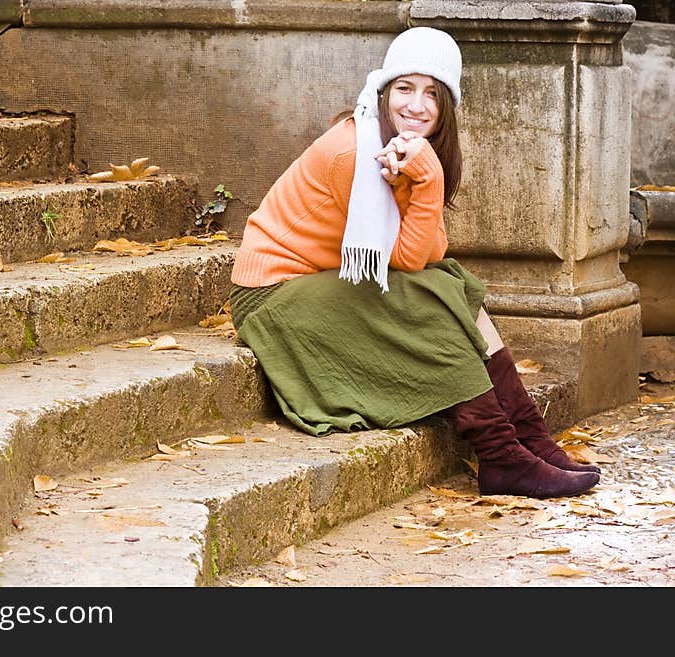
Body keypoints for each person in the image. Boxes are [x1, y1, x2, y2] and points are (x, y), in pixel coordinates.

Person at [228, 27, 600, 499]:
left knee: (450, 280)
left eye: (432, 94)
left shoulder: (407, 150)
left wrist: (427, 176)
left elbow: (431, 254)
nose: (416, 105)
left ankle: (528, 437)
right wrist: (428, 182)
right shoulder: (352, 153)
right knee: (428, 294)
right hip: (274, 293)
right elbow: (405, 263)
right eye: (404, 88)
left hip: (324, 281)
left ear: (446, 106)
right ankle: (502, 454)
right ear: (384, 92)